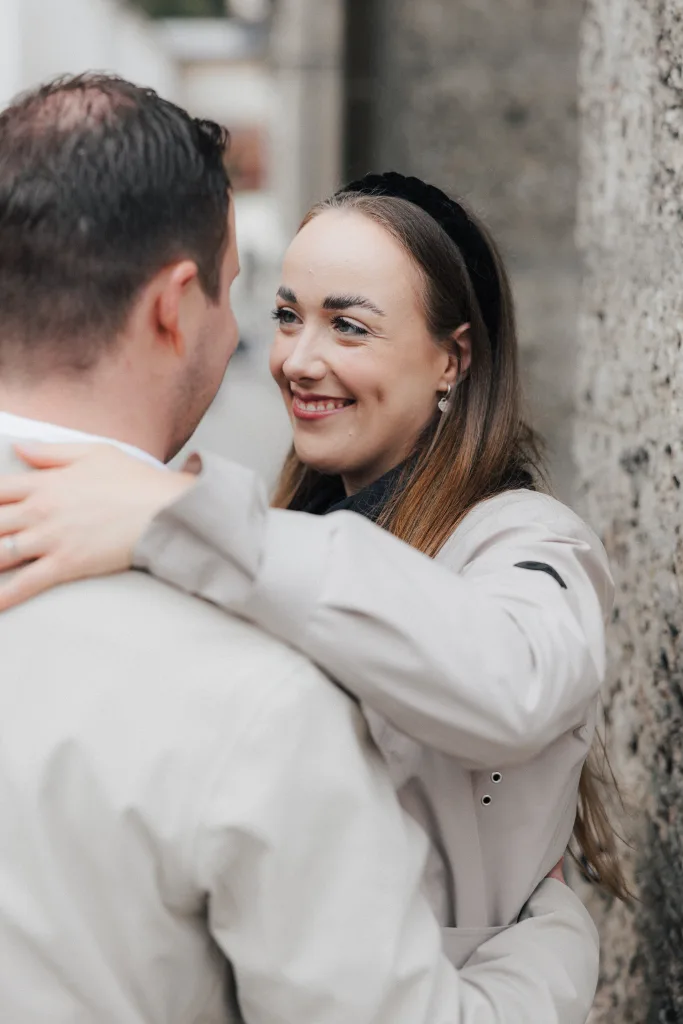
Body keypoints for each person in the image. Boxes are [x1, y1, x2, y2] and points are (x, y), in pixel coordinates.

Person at [0, 73, 601, 1024]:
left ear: (454, 356)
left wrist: (554, 948)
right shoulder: (288, 538)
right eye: (284, 313)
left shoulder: (525, 540)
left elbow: (515, 681)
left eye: (347, 323)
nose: (296, 358)